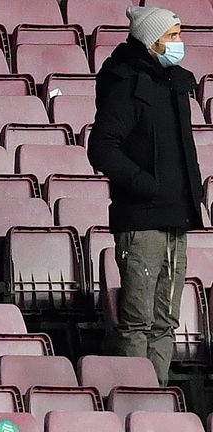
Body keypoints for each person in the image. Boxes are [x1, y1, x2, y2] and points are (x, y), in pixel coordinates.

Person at [88, 6, 203, 385]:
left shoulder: (174, 83)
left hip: (175, 219)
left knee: (165, 321)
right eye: (172, 35)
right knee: (137, 322)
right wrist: (148, 186)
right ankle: (132, 397)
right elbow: (101, 147)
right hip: (141, 223)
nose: (179, 42)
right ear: (150, 41)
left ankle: (157, 403)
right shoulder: (126, 83)